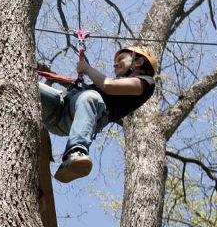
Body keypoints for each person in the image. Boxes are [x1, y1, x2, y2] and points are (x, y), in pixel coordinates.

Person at [40, 45, 157, 183]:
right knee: (26, 85)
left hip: (77, 116)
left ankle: (75, 153)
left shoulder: (146, 83)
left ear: (138, 62)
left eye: (121, 59)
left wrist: (87, 69)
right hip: (62, 103)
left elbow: (107, 85)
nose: (115, 64)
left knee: (90, 96)